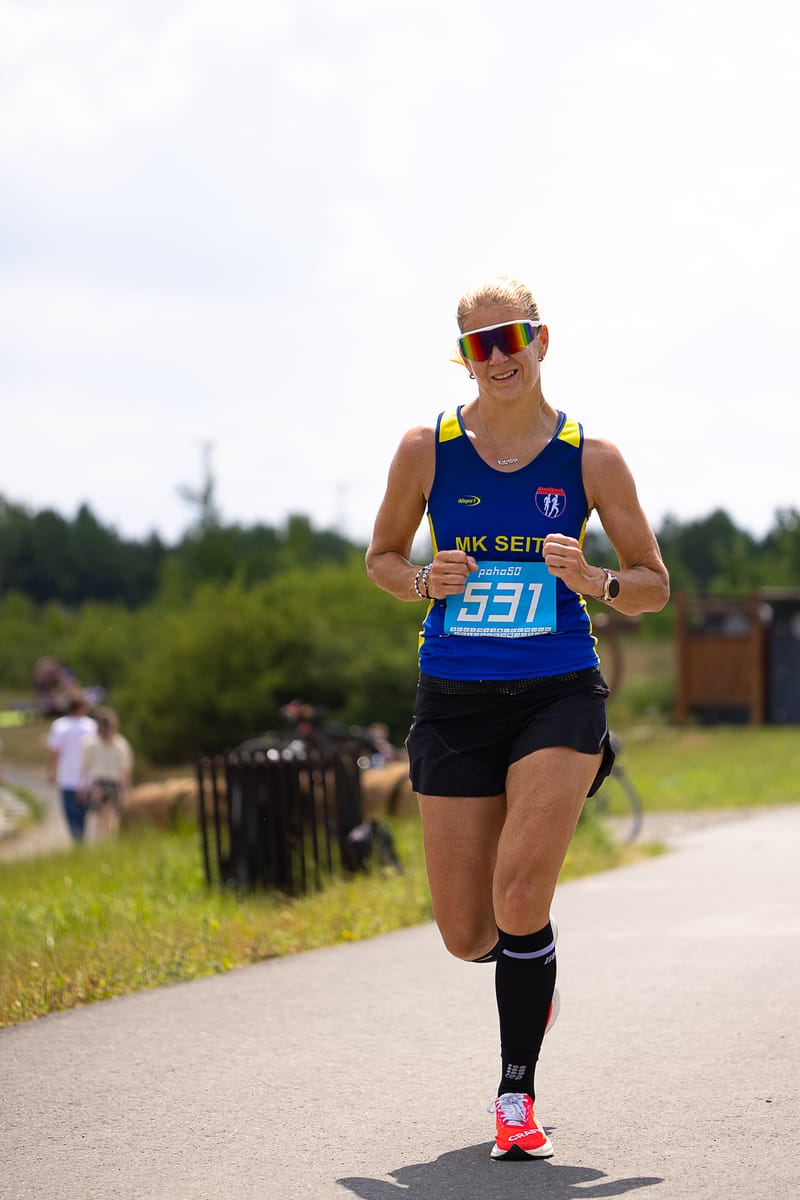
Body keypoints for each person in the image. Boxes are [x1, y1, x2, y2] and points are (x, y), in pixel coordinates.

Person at [365, 274, 669, 1161]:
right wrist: (424, 581)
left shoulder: (592, 458)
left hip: (557, 691)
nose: (498, 357)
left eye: (512, 337)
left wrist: (596, 581)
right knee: (470, 934)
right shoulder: (427, 450)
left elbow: (652, 586)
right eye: (479, 343)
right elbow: (381, 557)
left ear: (543, 341)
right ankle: (528, 978)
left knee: (520, 895)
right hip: (454, 697)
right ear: (463, 356)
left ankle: (514, 1097)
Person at [46, 692, 97, 841]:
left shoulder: (59, 726)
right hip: (87, 778)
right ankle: (81, 839)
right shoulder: (91, 726)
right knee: (83, 814)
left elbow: (54, 752)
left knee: (71, 815)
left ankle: (78, 840)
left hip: (67, 777)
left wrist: (51, 771)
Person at [81, 707, 134, 843]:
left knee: (102, 819)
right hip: (109, 783)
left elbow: (84, 767)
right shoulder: (120, 744)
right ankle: (107, 844)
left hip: (102, 784)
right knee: (109, 819)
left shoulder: (92, 744)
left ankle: (103, 844)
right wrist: (127, 789)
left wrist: (82, 785)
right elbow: (126, 770)